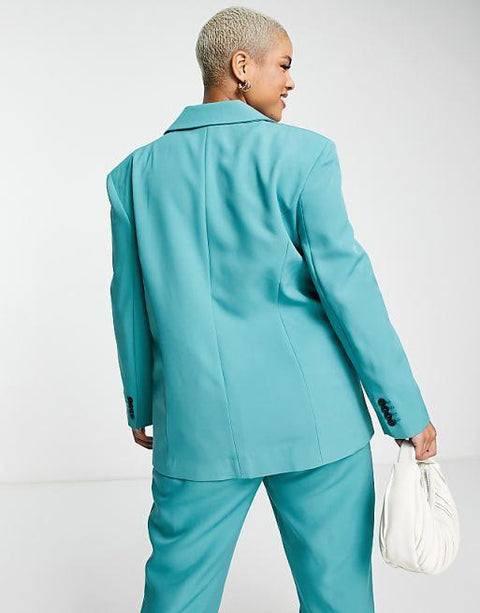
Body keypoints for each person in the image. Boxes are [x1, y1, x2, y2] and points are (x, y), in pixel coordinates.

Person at [106, 6, 437, 612]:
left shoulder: (133, 174)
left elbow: (130, 300)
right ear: (241, 66)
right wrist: (403, 409)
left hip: (196, 422)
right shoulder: (305, 156)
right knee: (339, 598)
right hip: (316, 420)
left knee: (177, 597)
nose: (290, 81)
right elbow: (348, 288)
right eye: (283, 65)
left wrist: (141, 402)